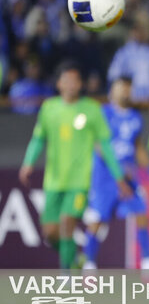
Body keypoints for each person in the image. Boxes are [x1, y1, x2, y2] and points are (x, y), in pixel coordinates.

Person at [19, 62, 132, 269]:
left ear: (80, 84)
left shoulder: (92, 110)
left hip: (79, 181)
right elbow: (38, 139)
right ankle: (73, 261)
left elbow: (106, 147)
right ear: (59, 84)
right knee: (50, 232)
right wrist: (28, 163)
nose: (71, 85)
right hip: (53, 181)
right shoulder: (49, 108)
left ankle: (66, 278)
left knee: (67, 222)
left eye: (75, 81)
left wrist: (119, 177)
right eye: (67, 81)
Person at [82, 76, 149, 270]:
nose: (125, 91)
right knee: (97, 220)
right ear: (112, 91)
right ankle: (88, 266)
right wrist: (117, 170)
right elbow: (98, 145)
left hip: (129, 176)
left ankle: (148, 265)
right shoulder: (104, 113)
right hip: (106, 177)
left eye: (128, 88)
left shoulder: (135, 117)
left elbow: (138, 147)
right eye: (121, 87)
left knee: (141, 212)